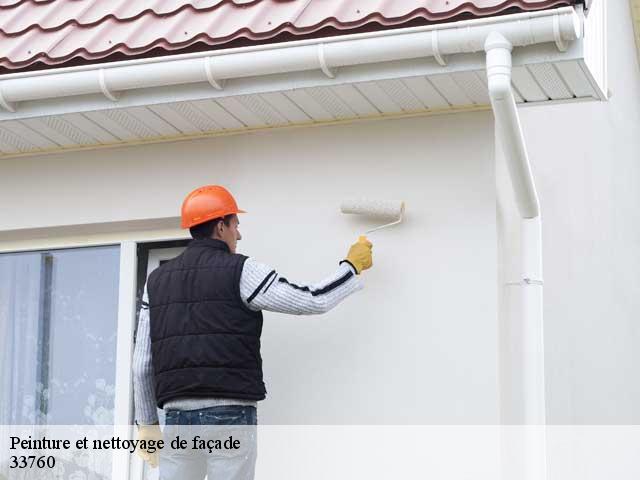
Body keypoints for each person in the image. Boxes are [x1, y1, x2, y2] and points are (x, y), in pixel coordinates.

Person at [132, 185, 373, 479]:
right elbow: (311, 300)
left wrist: (146, 425)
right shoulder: (241, 270)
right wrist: (351, 267)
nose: (239, 235)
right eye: (236, 225)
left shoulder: (156, 281)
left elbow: (142, 364)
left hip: (177, 419)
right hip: (229, 415)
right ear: (221, 227)